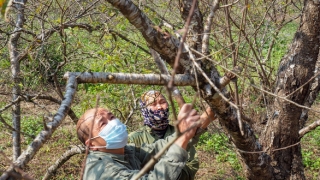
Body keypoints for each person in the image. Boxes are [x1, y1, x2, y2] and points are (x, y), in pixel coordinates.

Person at [76, 103, 202, 179]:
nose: (113, 123)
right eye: (102, 124)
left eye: (112, 117)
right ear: (91, 145)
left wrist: (208, 115)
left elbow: (159, 149)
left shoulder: (126, 151)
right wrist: (182, 139)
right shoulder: (101, 170)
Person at [128, 90, 215, 180]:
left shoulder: (179, 131)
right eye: (153, 104)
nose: (159, 107)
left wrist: (175, 173)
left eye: (162, 102)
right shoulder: (134, 138)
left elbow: (192, 164)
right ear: (144, 109)